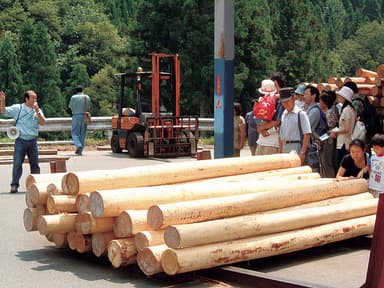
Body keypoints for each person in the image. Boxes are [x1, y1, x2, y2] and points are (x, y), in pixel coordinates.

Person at [0, 90, 45, 193]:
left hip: (33, 140)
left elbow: (42, 122)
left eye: (36, 98)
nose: (35, 100)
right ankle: (14, 185)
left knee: (35, 164)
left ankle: (36, 184)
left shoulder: (37, 110)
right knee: (17, 163)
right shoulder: (18, 108)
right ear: (26, 99)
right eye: (33, 98)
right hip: (21, 140)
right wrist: (2, 101)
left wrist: (37, 111)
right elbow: (3, 112)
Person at [278, 87, 311, 165]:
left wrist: (302, 152)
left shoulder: (301, 114)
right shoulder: (284, 114)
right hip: (285, 147)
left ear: (293, 98)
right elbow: (281, 135)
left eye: (287, 101)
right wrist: (280, 151)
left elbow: (307, 134)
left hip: (296, 147)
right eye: (283, 102)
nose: (285, 104)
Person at [329, 85, 356, 168]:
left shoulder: (346, 110)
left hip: (343, 143)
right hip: (347, 141)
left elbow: (346, 129)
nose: (338, 97)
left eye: (340, 96)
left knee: (340, 166)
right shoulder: (351, 109)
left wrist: (334, 131)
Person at [255, 79, 280, 155]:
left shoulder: (279, 103)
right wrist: (261, 129)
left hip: (272, 143)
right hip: (261, 141)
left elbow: (278, 122)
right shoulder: (260, 102)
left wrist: (261, 129)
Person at [318, 90, 338, 177]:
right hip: (324, 140)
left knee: (327, 162)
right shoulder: (324, 113)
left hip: (328, 141)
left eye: (320, 101)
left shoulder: (330, 114)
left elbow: (332, 129)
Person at [68, 85, 90, 155]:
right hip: (84, 116)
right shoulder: (86, 97)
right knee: (82, 133)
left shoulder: (73, 97)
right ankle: (80, 151)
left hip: (76, 116)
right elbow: (88, 107)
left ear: (76, 90)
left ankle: (78, 144)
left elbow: (70, 106)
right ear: (82, 90)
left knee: (74, 132)